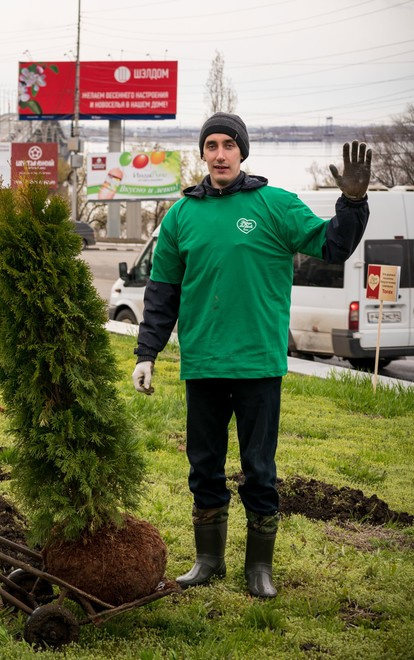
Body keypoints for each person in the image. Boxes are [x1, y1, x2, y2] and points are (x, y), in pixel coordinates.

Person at [131, 112, 372, 599]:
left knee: (259, 468)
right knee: (204, 465)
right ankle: (208, 559)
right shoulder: (181, 215)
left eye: (229, 145)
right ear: (202, 153)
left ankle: (259, 568)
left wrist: (353, 201)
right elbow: (163, 292)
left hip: (259, 363)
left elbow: (334, 244)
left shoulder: (275, 205)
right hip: (203, 362)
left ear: (243, 152)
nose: (220, 154)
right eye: (211, 145)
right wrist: (147, 352)